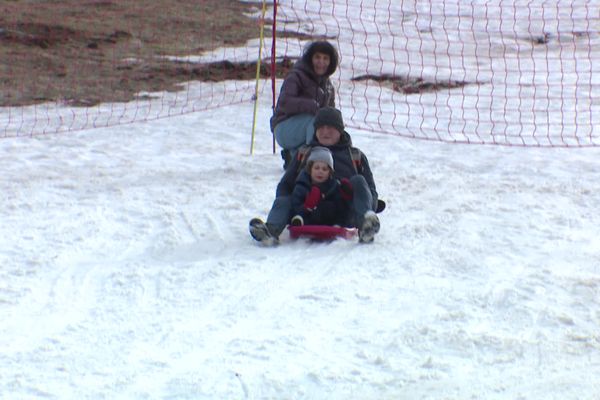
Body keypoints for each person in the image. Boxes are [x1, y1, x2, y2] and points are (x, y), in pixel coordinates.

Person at [250, 107, 381, 244]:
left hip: (343, 213)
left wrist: (368, 205)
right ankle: (270, 231)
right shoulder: (304, 152)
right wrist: (289, 204)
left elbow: (370, 189)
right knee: (283, 198)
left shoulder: (355, 156)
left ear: (340, 130)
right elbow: (286, 185)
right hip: (305, 212)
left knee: (358, 180)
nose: (325, 132)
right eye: (321, 127)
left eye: (330, 127)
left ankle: (366, 225)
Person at [270, 40, 339, 168]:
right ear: (310, 59)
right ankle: (315, 162)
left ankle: (294, 158)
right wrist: (312, 106)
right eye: (317, 57)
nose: (321, 62)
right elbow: (285, 103)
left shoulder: (328, 85)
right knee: (315, 121)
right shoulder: (296, 76)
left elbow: (330, 113)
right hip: (283, 127)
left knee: (327, 125)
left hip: (304, 132)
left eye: (325, 58)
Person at [290, 146, 353, 227]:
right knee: (300, 213)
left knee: (334, 205)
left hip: (329, 220)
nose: (320, 172)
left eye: (324, 169)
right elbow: (295, 205)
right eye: (316, 168)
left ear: (329, 173)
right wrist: (307, 207)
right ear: (310, 169)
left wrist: (346, 197)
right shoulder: (302, 186)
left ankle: (337, 224)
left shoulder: (334, 187)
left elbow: (340, 208)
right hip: (308, 218)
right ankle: (299, 221)